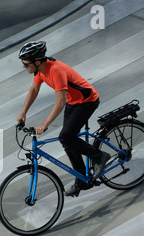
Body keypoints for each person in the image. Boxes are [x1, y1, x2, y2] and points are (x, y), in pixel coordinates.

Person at [15, 41, 110, 197]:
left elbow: (60, 101)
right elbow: (34, 89)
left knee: (66, 137)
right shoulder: (39, 71)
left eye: (25, 64)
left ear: (37, 62)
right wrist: (23, 112)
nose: (24, 67)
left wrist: (45, 124)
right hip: (73, 101)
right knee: (67, 141)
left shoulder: (55, 71)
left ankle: (100, 156)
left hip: (87, 101)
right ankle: (82, 180)